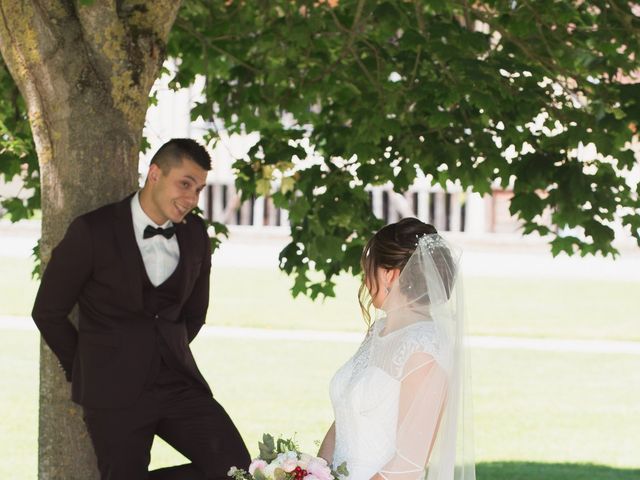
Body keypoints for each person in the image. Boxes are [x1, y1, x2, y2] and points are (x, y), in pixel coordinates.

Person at [32, 138, 251, 480]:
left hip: (177, 382)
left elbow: (194, 314)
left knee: (236, 469)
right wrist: (87, 365)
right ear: (154, 174)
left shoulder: (195, 234)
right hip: (111, 391)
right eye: (185, 184)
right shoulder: (93, 230)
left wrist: (163, 348)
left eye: (199, 189)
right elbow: (48, 311)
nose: (192, 199)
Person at [318, 218, 475, 480]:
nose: (364, 279)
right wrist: (313, 471)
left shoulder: (425, 349)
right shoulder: (377, 332)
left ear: (389, 274)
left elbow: (408, 464)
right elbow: (344, 418)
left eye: (368, 270)